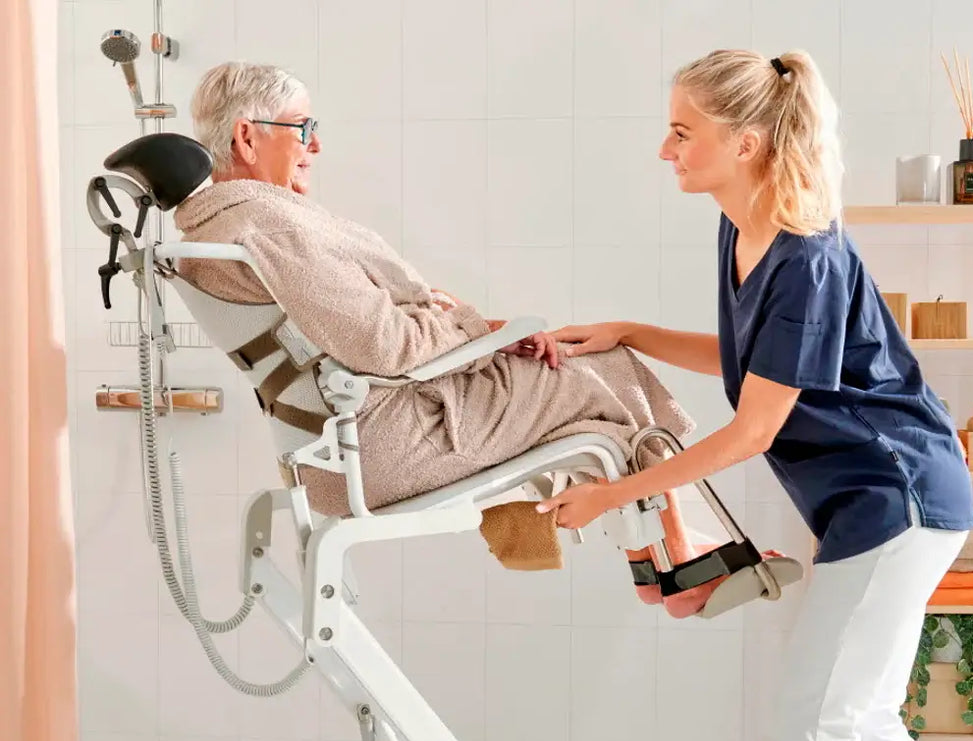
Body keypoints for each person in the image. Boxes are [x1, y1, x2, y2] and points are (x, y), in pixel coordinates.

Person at [539, 49, 973, 741]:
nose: (665, 149)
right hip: (884, 505)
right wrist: (629, 331)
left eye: (682, 132)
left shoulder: (806, 251)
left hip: (896, 499)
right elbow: (757, 364)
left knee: (814, 725)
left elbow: (754, 428)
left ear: (744, 143)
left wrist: (613, 493)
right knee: (865, 728)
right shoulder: (740, 230)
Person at [176, 61, 746, 619]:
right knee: (604, 364)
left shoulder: (226, 224)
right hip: (386, 441)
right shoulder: (271, 226)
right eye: (303, 128)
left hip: (348, 436)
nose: (316, 146)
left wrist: (485, 337)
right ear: (247, 137)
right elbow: (386, 345)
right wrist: (478, 330)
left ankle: (660, 562)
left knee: (587, 393)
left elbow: (366, 331)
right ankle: (678, 563)